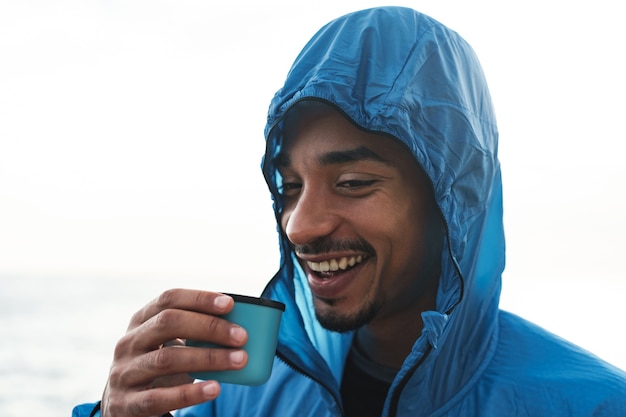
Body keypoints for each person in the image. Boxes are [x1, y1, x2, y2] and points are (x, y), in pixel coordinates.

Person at [73, 6, 626, 417]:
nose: (300, 225)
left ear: (453, 201)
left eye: (353, 182)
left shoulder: (593, 405)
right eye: (289, 187)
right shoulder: (236, 395)